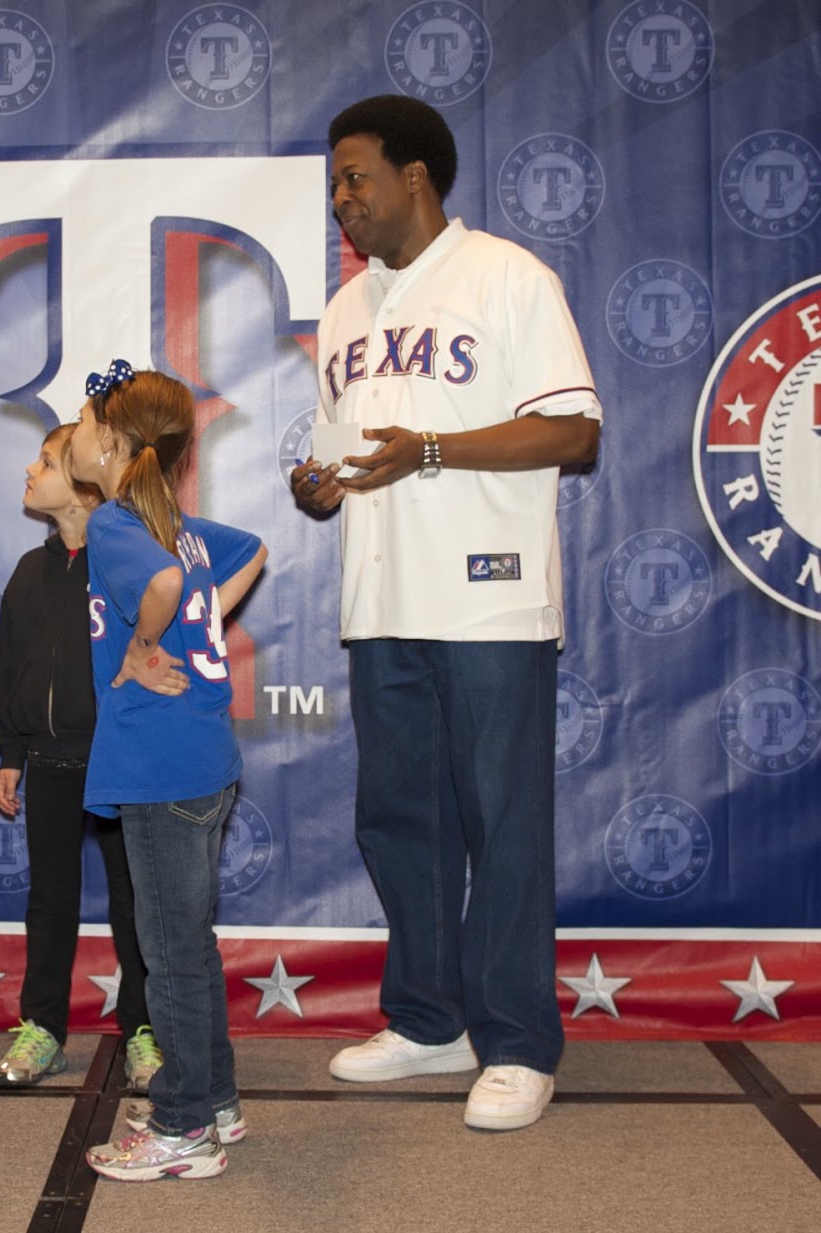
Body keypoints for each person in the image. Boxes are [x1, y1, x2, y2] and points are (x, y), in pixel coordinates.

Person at [291, 95, 602, 1132]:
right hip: (381, 599)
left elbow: (573, 430)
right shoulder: (345, 309)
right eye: (334, 184)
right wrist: (315, 484)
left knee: (502, 823)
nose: (342, 199)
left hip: (488, 597)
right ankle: (429, 1021)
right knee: (401, 819)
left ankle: (516, 1042)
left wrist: (430, 450)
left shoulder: (507, 276)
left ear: (414, 175)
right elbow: (338, 452)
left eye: (355, 177)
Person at [69, 362, 267, 1181]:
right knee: (191, 944)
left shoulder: (117, 522)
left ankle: (183, 1125)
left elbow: (161, 582)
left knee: (171, 953)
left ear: (113, 443)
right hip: (202, 761)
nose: (76, 433)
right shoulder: (173, 524)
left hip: (161, 767)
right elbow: (252, 549)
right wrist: (196, 623)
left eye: (84, 422)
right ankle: (215, 1099)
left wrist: (146, 645)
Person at [0, 424, 161, 1091]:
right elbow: (11, 668)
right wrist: (12, 752)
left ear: (85, 488)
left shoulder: (121, 565)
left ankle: (143, 1029)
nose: (30, 472)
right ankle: (42, 1028)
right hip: (49, 761)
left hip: (118, 760)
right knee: (50, 898)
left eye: (46, 462)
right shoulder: (28, 571)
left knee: (133, 899)